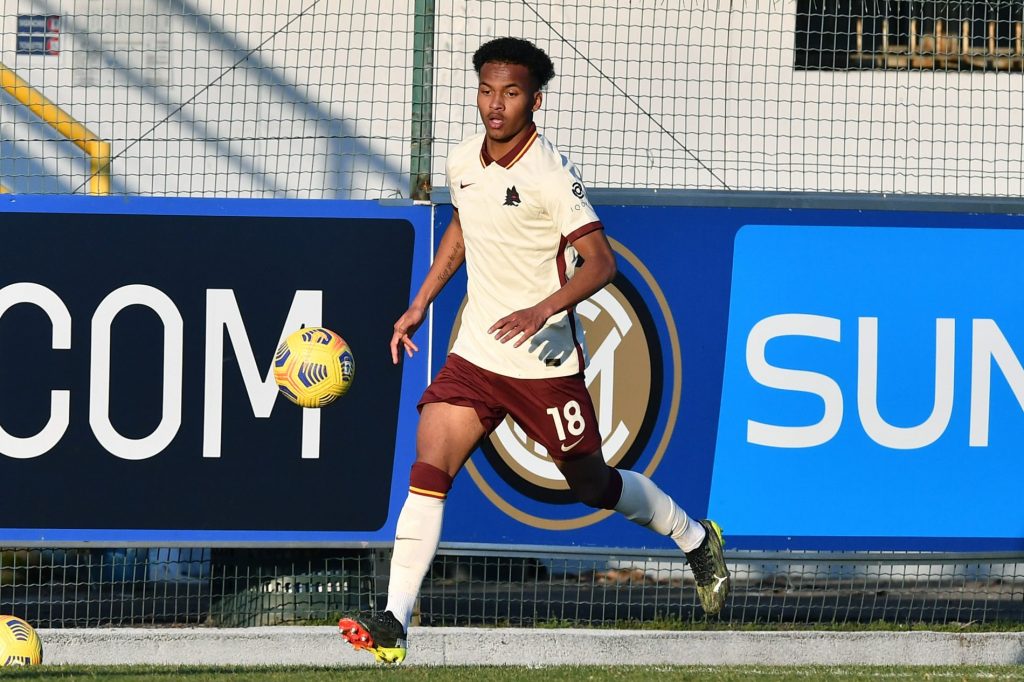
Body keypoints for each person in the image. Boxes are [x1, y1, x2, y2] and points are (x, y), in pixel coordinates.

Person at [339, 37, 729, 664]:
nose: (495, 105)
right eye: (486, 91)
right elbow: (463, 225)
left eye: (511, 93)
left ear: (535, 101)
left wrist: (543, 309)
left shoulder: (549, 173)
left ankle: (693, 536)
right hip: (476, 356)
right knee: (429, 466)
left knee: (593, 485)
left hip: (544, 365)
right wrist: (421, 302)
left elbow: (600, 262)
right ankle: (395, 622)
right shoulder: (463, 159)